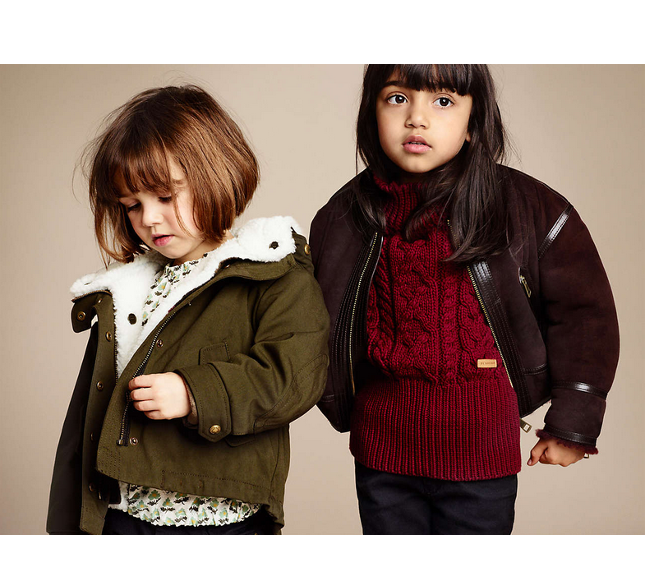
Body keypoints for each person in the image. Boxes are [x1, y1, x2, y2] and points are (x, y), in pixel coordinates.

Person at [309, 64, 619, 535]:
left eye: (443, 101)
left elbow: (584, 315)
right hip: (381, 453)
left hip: (482, 452)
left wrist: (573, 423)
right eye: (397, 98)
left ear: (474, 121)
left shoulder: (527, 207)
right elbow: (313, 323)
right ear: (372, 112)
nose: (416, 118)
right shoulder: (342, 216)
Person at [47, 84, 329, 535]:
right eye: (132, 205)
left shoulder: (272, 273)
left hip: (222, 522)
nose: (149, 219)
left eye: (164, 196)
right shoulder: (128, 289)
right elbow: (88, 413)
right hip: (124, 517)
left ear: (218, 174)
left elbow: (295, 375)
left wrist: (195, 393)